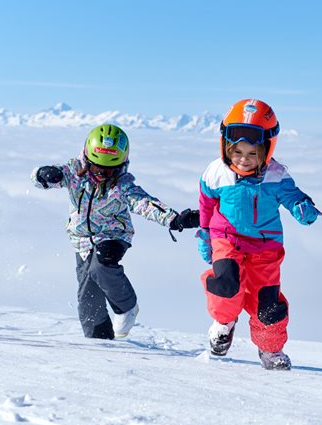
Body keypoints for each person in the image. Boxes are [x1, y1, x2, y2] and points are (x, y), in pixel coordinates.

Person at [32, 123, 199, 340]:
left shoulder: (122, 185)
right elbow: (39, 179)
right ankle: (99, 340)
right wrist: (43, 175)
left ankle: (126, 306)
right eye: (97, 168)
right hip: (81, 240)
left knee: (101, 267)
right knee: (87, 296)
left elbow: (145, 203)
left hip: (113, 236)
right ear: (86, 159)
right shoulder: (73, 173)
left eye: (110, 169)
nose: (102, 174)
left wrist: (174, 219)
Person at [196, 99, 320, 370]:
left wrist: (302, 207)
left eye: (252, 154)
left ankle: (270, 348)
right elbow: (206, 204)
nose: (243, 159)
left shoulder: (276, 175)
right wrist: (205, 235)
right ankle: (224, 323)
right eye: (237, 152)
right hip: (226, 238)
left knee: (267, 303)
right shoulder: (217, 172)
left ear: (267, 150)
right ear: (226, 147)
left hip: (266, 248)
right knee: (226, 283)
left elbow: (292, 195)